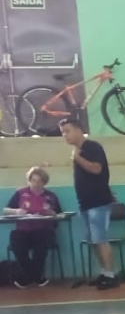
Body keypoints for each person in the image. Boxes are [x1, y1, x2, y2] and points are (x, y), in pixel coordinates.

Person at [60, 117, 118, 289]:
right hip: (84, 203)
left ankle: (111, 275)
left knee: (100, 239)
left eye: (68, 131)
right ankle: (103, 273)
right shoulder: (78, 150)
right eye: (63, 133)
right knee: (93, 241)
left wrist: (77, 158)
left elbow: (96, 169)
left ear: (78, 129)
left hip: (98, 202)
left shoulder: (92, 147)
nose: (65, 135)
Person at [4, 166, 62, 288]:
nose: (36, 184)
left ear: (44, 183)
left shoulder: (51, 196)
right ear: (29, 180)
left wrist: (52, 213)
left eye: (39, 181)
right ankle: (36, 276)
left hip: (43, 229)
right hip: (23, 230)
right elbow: (5, 210)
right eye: (33, 180)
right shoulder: (20, 193)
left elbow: (59, 214)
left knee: (42, 243)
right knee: (16, 240)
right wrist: (16, 212)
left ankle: (27, 277)